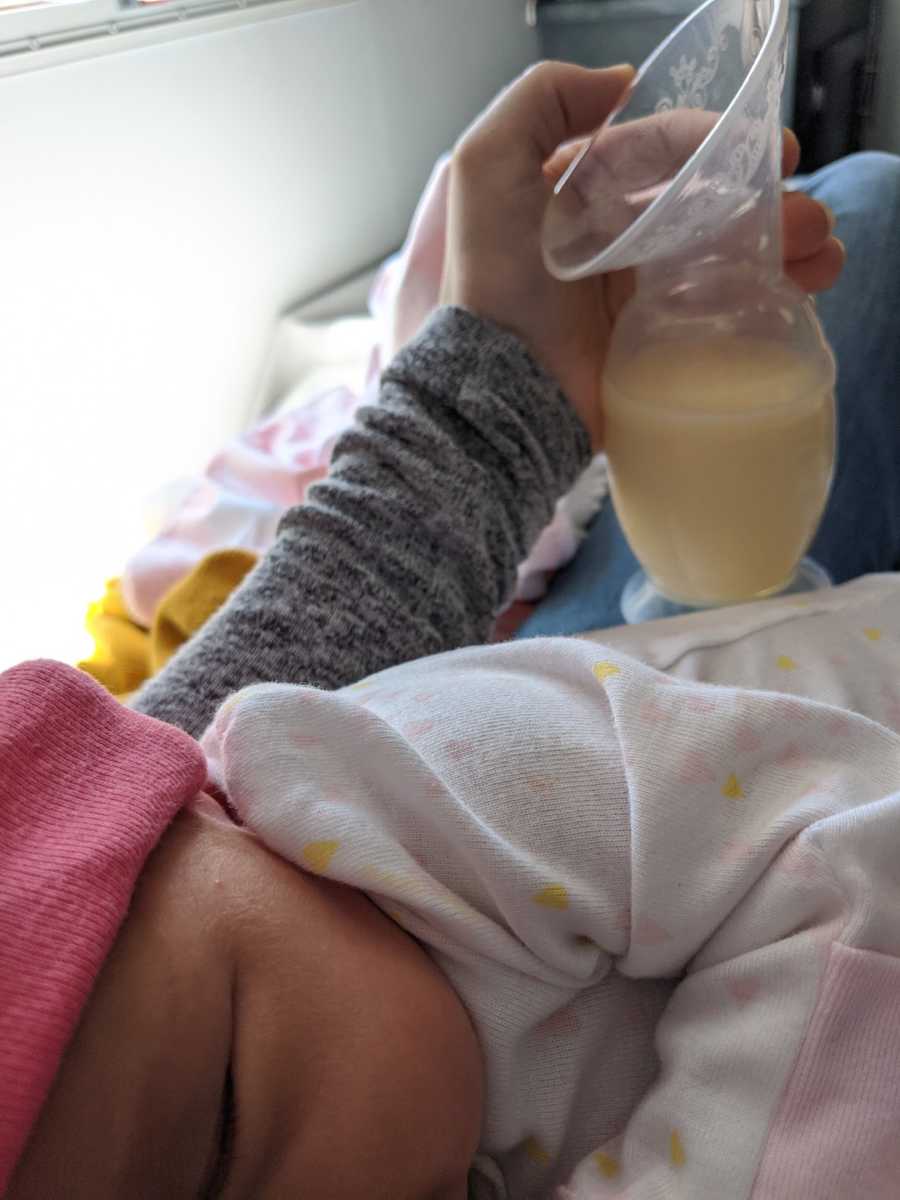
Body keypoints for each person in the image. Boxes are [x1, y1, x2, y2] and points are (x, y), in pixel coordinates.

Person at [2, 61, 899, 1200]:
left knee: (865, 218)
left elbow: (857, 871)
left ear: (208, 816)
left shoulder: (464, 773)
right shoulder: (270, 989)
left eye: (222, 1137)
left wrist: (496, 390)